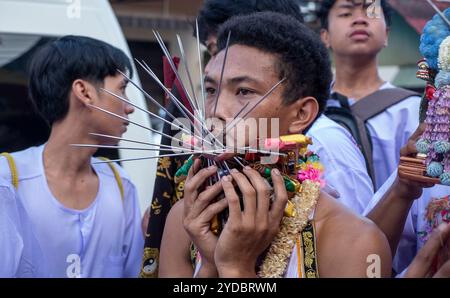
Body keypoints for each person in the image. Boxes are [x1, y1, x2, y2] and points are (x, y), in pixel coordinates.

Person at [141, 0, 375, 277]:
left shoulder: (354, 240)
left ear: (301, 113)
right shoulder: (186, 220)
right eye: (211, 89)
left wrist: (236, 268)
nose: (215, 111)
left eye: (243, 91)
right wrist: (210, 264)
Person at [0, 36, 144, 277]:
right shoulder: (8, 181)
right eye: (121, 89)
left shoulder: (121, 186)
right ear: (84, 92)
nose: (130, 107)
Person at [318, 0, 421, 190]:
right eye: (345, 14)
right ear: (325, 36)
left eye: (371, 13)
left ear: (386, 35)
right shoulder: (311, 111)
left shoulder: (411, 110)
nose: (359, 20)